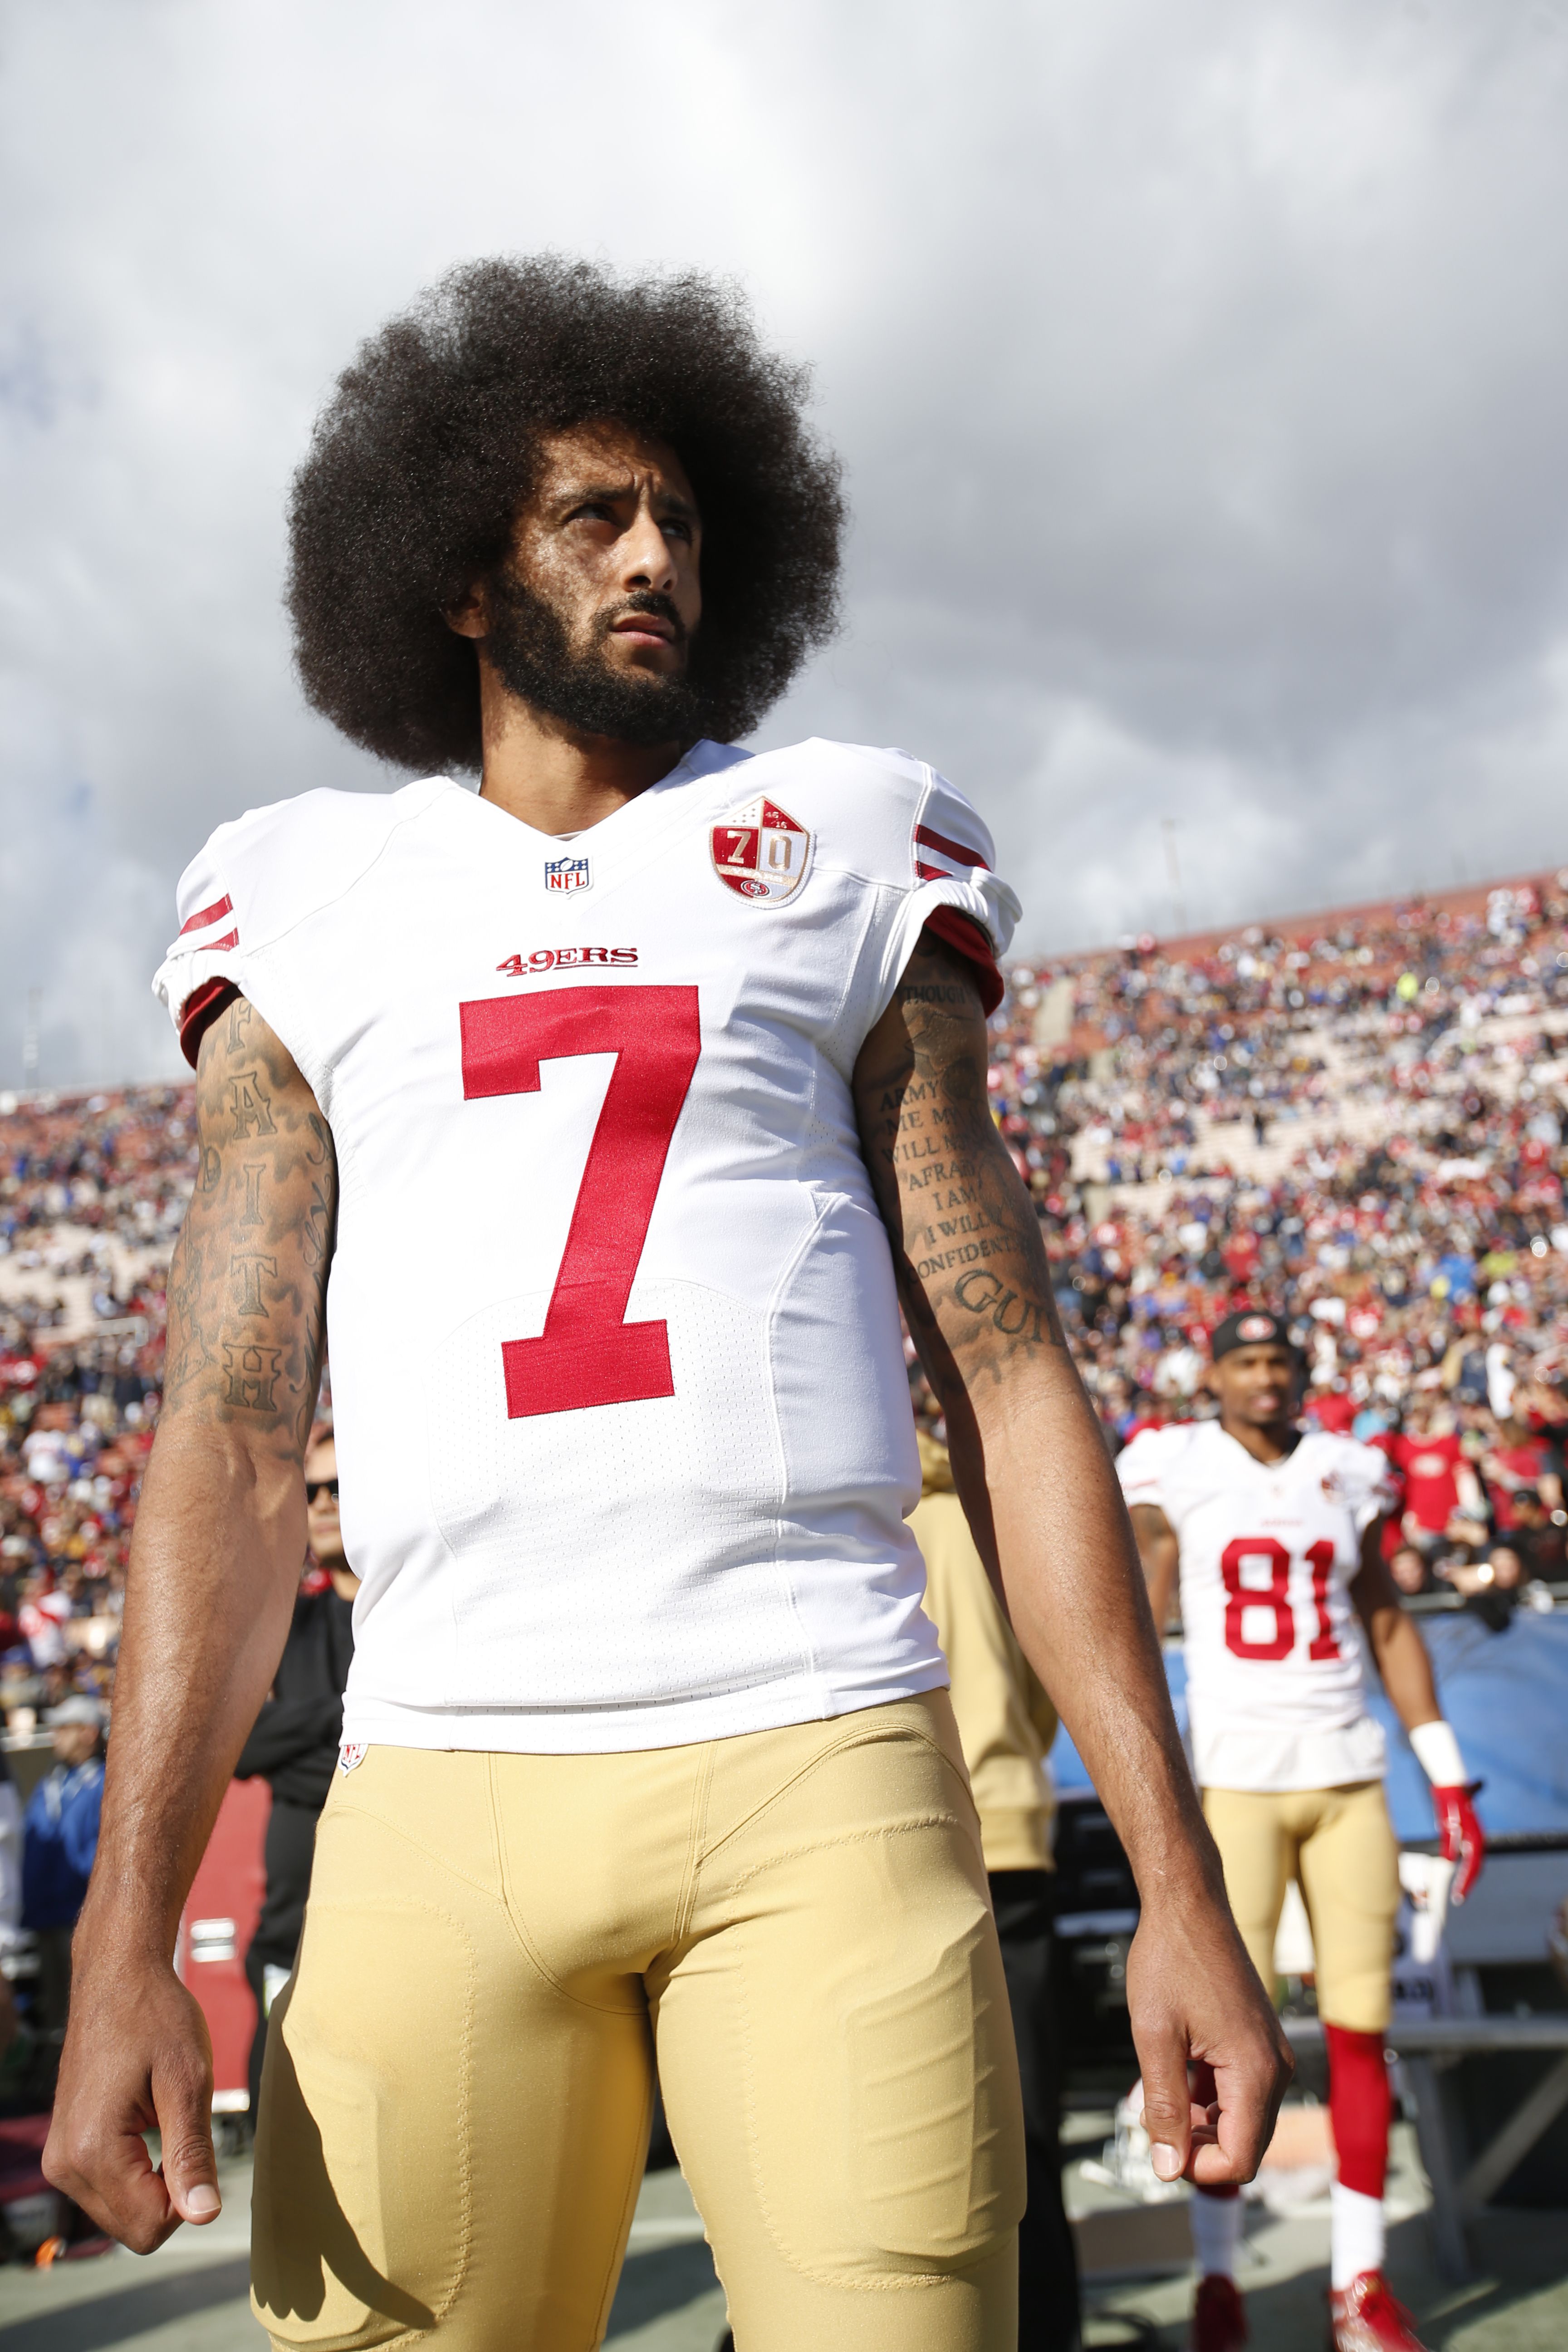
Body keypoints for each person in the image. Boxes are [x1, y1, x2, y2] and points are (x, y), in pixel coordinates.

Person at [47, 258, 1289, 2350]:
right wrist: (125, 1941)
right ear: (459, 577)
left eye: (685, 522)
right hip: (437, 1771)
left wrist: (1172, 1877)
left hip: (816, 1747)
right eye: (594, 516)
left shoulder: (845, 836)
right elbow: (238, 1442)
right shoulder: (303, 888)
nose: (655, 559)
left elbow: (1007, 1383)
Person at [1121, 1310, 1485, 2352]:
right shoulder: (1174, 1463)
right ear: (1214, 1375)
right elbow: (1139, 1612)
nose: (1264, 1377)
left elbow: (1384, 1616)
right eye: (1244, 1361)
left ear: (1301, 1369)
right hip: (1233, 1780)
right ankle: (1217, 2276)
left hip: (1346, 1775)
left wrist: (1443, 1766)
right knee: (1218, 2036)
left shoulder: (1345, 1467)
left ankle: (1358, 2284)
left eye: (1278, 1360)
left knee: (1362, 2028)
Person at [911, 1430, 1080, 2352]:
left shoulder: (844, 1514)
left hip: (884, 1832)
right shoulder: (994, 1516)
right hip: (1008, 1826)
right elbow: (1048, 1682)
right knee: (1025, 2126)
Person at [233, 1428, 357, 2118]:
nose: (323, 1503)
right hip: (292, 1921)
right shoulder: (284, 1624)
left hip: (400, 1893)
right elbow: (243, 1745)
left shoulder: (420, 1621)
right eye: (310, 1493)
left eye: (340, 1487)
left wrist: (296, 1735)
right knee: (285, 2110)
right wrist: (352, 1716)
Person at [22, 1695, 106, 2063]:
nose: (55, 1735)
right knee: (55, 2008)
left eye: (64, 1728)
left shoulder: (104, 1784)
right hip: (45, 1915)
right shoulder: (50, 1785)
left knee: (85, 2007)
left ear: (88, 1733)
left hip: (80, 1917)